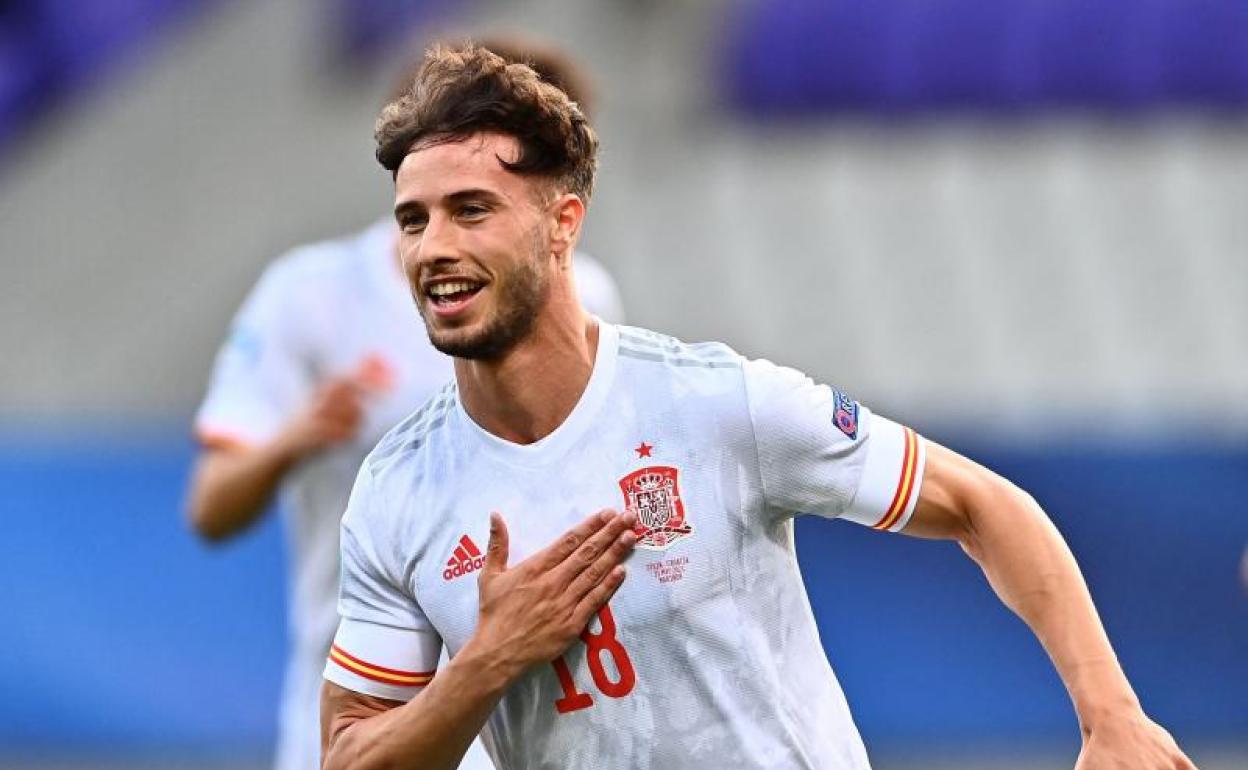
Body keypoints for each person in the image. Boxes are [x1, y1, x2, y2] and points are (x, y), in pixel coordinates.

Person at [318, 43, 1198, 770]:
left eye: (471, 210)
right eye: (413, 220)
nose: (434, 247)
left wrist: (1109, 714)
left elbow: (985, 504)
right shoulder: (400, 490)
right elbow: (352, 757)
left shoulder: (713, 404)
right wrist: (488, 660)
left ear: (563, 224)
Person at [186, 41, 624, 770]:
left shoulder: (589, 297)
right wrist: (294, 439)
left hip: (533, 717)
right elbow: (211, 506)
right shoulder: (312, 294)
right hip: (363, 702)